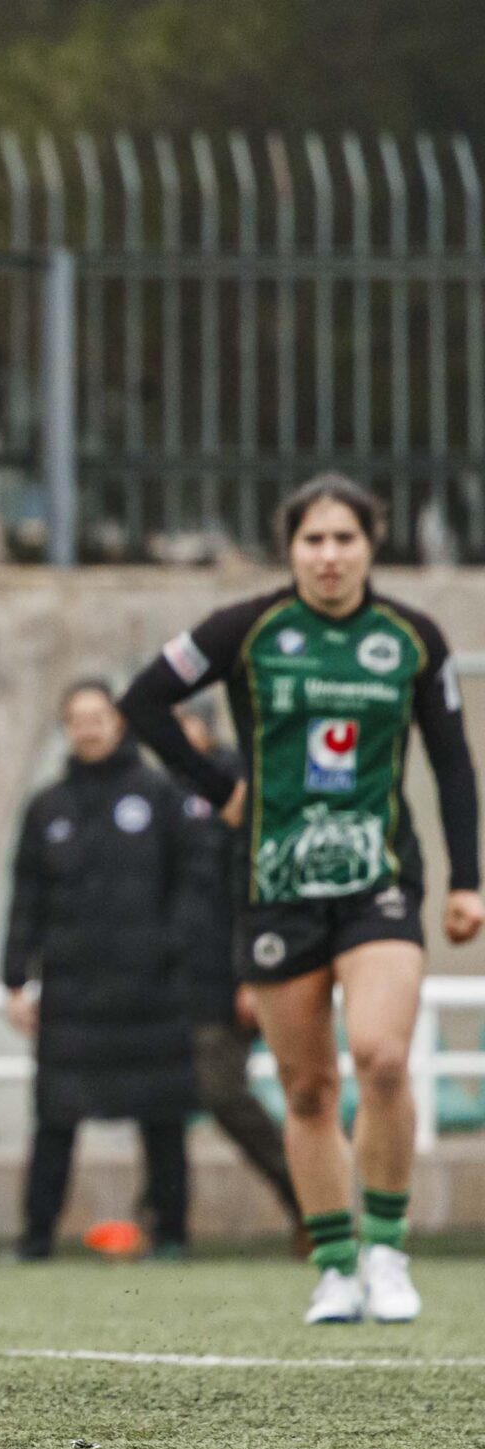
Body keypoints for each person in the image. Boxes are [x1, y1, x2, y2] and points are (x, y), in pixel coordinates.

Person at [120, 473, 480, 1325]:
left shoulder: (413, 638)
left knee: (383, 1055)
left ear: (371, 545)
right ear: (291, 549)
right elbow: (144, 699)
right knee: (308, 1087)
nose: (328, 555)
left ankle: (388, 1250)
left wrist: (468, 880)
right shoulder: (247, 630)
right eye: (313, 540)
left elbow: (455, 763)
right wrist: (220, 786)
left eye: (344, 539)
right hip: (276, 888)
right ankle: (335, 1263)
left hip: (378, 881)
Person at [1, 680, 204, 1260]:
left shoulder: (160, 795)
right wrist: (16, 979)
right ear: (68, 729)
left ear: (118, 724)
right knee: (54, 1120)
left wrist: (173, 950)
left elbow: (193, 885)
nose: (89, 728)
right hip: (72, 992)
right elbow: (26, 899)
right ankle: (36, 1238)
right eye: (78, 719)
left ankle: (172, 1235)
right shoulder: (47, 807)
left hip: (153, 991)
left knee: (164, 1119)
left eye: (99, 717)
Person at [171, 702, 305, 1246]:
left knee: (222, 1090)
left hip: (225, 975)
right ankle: (163, 1221)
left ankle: (311, 1196)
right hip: (171, 975)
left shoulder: (236, 785)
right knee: (164, 1101)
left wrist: (252, 972)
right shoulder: (163, 791)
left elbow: (253, 885)